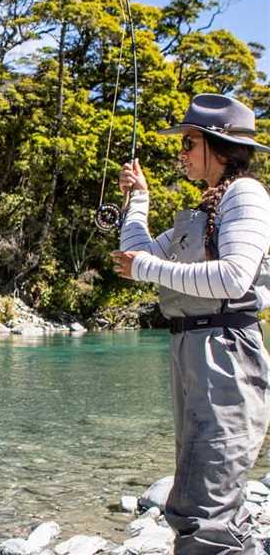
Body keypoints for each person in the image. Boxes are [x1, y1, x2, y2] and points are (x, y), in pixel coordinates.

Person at [112, 93, 270, 554]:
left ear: (218, 147)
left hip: (224, 351)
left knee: (208, 500)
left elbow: (233, 276)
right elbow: (140, 253)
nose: (180, 153)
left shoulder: (246, 195)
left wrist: (144, 269)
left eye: (187, 143)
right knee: (199, 490)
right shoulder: (204, 210)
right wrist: (137, 200)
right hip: (194, 349)